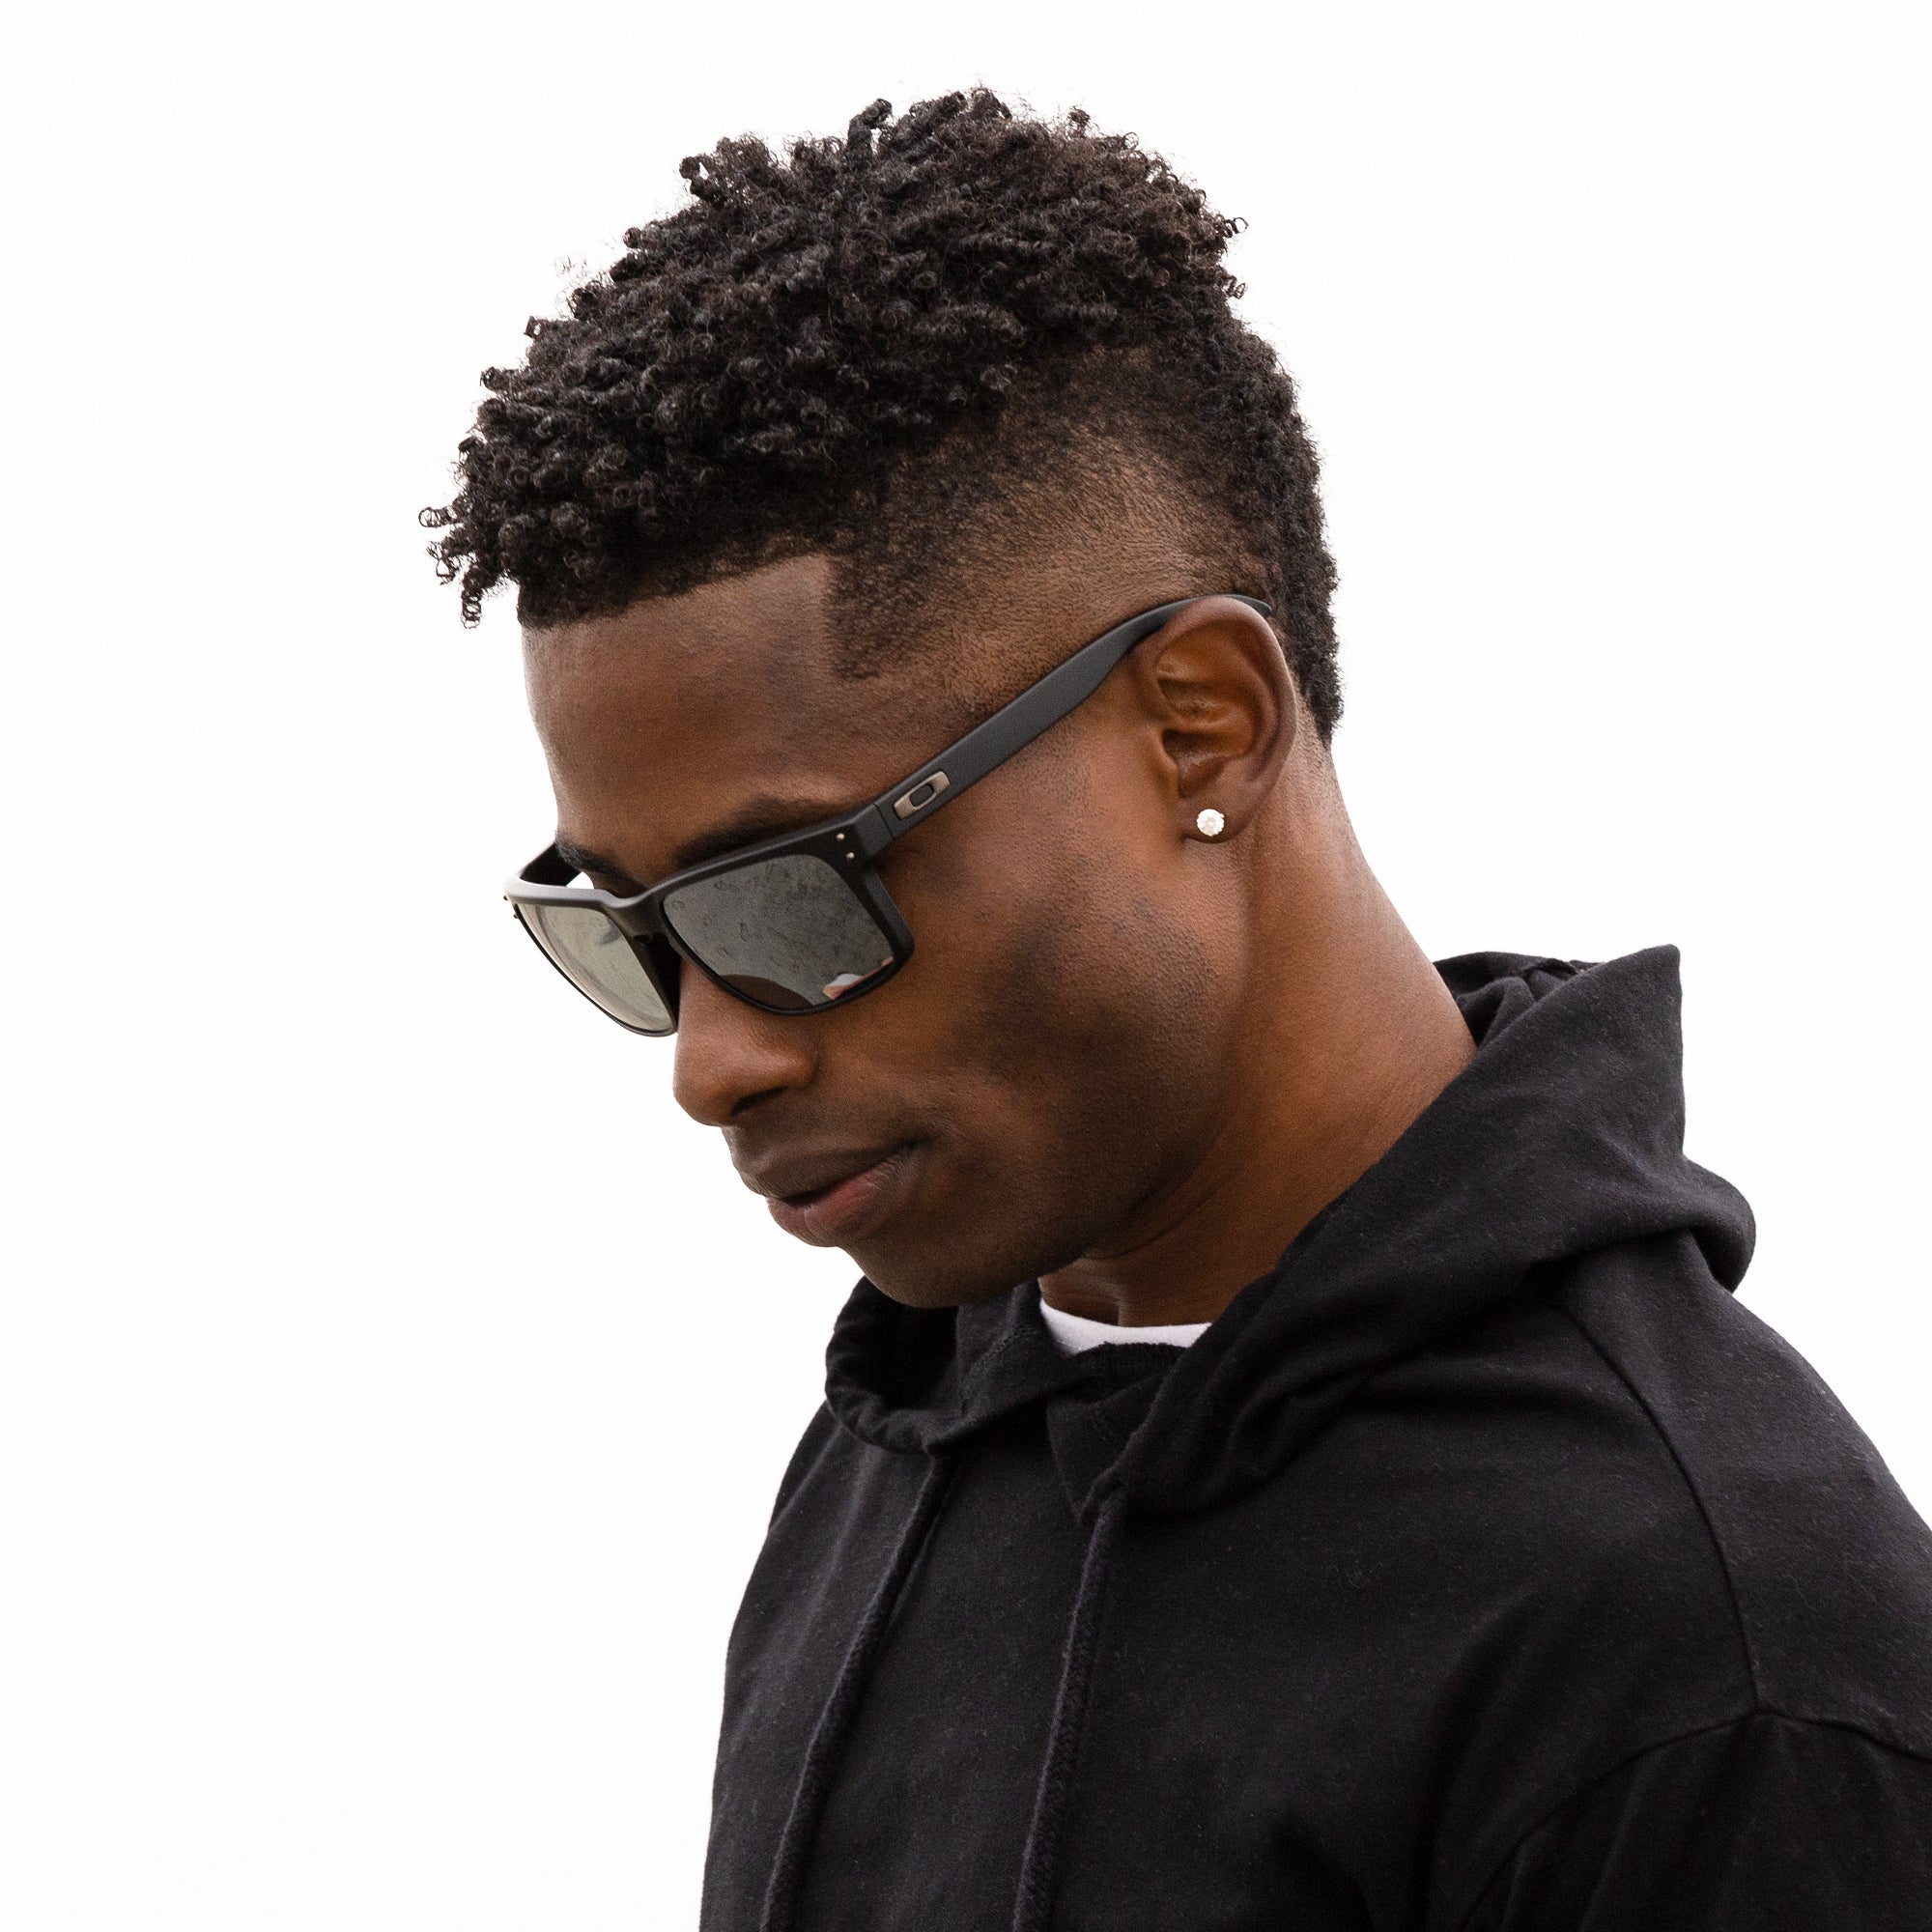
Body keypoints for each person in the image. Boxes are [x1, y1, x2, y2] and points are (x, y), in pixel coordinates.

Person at [428, 90, 1932, 1932]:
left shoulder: (1714, 1657)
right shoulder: (911, 1422)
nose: (713, 1061)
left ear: (1200, 727)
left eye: (786, 899)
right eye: (634, 933)